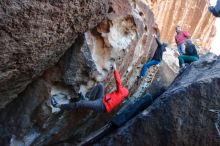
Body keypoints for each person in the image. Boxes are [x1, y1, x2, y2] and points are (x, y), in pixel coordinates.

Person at [51, 63, 129, 113]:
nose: (122, 87)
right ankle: (87, 97)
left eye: (123, 88)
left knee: (81, 103)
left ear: (123, 91)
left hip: (101, 105)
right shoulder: (120, 96)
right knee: (100, 86)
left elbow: (118, 82)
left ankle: (58, 106)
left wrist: (115, 69)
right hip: (102, 100)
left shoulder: (121, 92)